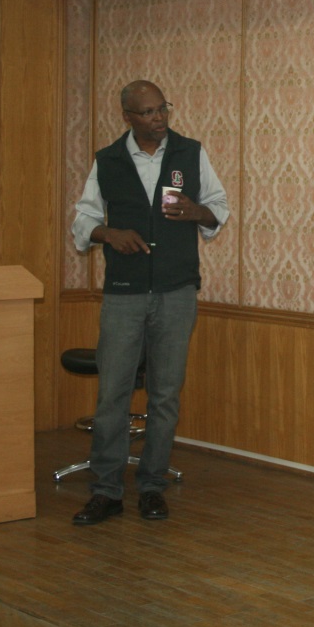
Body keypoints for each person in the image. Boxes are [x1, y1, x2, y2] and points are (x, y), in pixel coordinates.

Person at [69, 80, 229, 525]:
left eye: (163, 109)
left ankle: (152, 487)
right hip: (125, 293)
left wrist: (196, 211)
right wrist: (108, 233)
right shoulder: (108, 160)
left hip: (177, 291)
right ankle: (106, 491)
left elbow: (218, 207)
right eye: (149, 112)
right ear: (127, 117)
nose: (159, 118)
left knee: (164, 394)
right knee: (113, 394)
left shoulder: (190, 153)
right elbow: (83, 220)